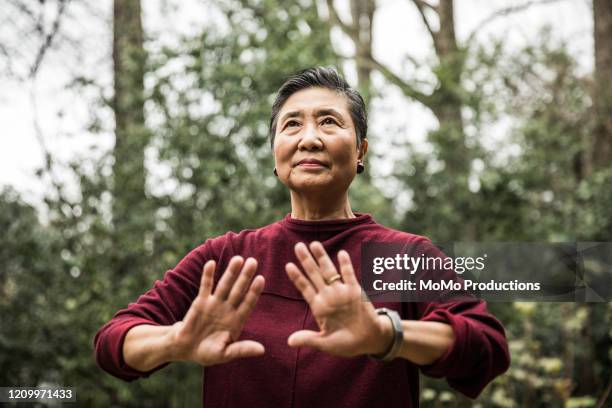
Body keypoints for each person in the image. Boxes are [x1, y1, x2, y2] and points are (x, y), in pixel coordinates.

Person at [94, 67, 510, 407]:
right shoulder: (226, 257)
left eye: (329, 121)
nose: (309, 138)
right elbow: (114, 340)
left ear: (361, 151)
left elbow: (486, 346)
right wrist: (174, 339)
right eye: (292, 125)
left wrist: (387, 334)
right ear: (276, 153)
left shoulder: (403, 255)